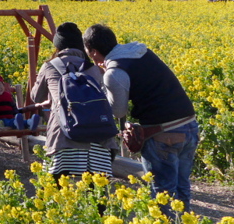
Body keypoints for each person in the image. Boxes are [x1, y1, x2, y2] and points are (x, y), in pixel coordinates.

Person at [83, 24, 199, 210]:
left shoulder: (115, 72)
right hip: (190, 126)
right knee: (181, 186)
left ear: (94, 52)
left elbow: (118, 111)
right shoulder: (140, 52)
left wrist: (106, 79)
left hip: (163, 134)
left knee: (162, 192)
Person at [31, 22, 116, 179]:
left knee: (53, 187)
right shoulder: (95, 67)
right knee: (97, 192)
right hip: (100, 136)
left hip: (64, 136)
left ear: (58, 46)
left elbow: (35, 97)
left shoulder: (50, 66)